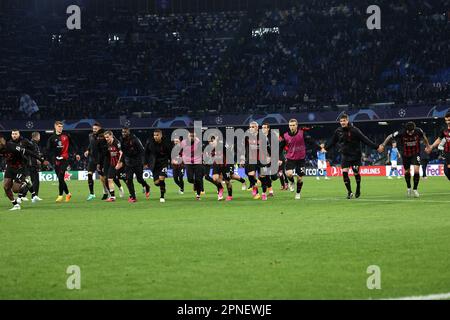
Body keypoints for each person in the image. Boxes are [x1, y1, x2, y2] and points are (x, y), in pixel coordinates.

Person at [323, 114, 383, 199]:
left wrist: (376, 147)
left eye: (344, 121)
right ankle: (349, 192)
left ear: (347, 121)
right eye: (341, 121)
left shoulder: (355, 130)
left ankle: (358, 187)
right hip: (345, 155)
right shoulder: (338, 131)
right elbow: (333, 141)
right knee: (344, 173)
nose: (342, 123)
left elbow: (365, 139)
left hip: (355, 156)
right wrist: (325, 148)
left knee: (356, 173)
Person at [381, 121, 431, 198]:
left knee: (416, 170)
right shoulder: (401, 132)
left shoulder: (418, 131)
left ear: (414, 129)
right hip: (405, 154)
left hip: (415, 153)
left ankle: (415, 189)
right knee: (407, 171)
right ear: (406, 129)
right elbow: (389, 136)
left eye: (412, 131)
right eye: (409, 132)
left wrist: (428, 146)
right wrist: (383, 145)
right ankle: (409, 187)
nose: (410, 133)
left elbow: (424, 137)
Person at [0, 135, 47, 210]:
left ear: (2, 141)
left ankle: (25, 181)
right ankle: (16, 205)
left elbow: (28, 152)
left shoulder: (12, 146)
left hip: (20, 166)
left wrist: (41, 160)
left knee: (15, 189)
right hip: (10, 167)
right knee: (6, 187)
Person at [279, 119, 320, 200]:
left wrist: (319, 148)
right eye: (290, 125)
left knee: (300, 178)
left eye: (294, 125)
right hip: (290, 158)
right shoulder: (285, 135)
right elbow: (280, 147)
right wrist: (278, 158)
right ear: (289, 126)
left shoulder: (302, 133)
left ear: (297, 125)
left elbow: (311, 141)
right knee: (288, 174)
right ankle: (291, 181)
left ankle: (298, 193)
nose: (292, 127)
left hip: (301, 159)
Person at [46, 121, 78, 202]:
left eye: (61, 126)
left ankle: (60, 195)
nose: (60, 128)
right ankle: (68, 194)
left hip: (65, 159)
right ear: (55, 127)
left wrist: (76, 153)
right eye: (59, 126)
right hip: (56, 160)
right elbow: (48, 150)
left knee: (60, 176)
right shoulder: (52, 138)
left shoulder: (66, 135)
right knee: (60, 179)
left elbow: (73, 144)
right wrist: (50, 158)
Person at [121, 127, 151, 203]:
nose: (123, 133)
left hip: (137, 162)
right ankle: (133, 196)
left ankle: (147, 186)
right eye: (123, 132)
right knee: (128, 179)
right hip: (128, 163)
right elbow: (123, 152)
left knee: (139, 179)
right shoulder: (122, 140)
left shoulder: (135, 139)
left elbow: (142, 150)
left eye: (125, 132)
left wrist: (144, 162)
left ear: (129, 132)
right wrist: (121, 162)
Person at [144, 129, 173, 203]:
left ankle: (162, 196)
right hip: (154, 164)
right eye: (154, 135)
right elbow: (146, 153)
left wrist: (172, 160)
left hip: (163, 163)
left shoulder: (166, 143)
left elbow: (170, 153)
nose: (155, 137)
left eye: (157, 135)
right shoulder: (150, 142)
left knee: (161, 178)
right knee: (157, 183)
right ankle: (163, 187)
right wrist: (145, 163)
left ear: (161, 135)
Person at [180, 131, 204, 200]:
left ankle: (198, 195)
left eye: (193, 136)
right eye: (190, 136)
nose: (192, 137)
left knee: (198, 179)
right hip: (188, 163)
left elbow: (201, 151)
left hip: (197, 162)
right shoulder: (183, 143)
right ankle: (195, 183)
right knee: (190, 179)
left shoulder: (198, 142)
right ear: (188, 136)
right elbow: (179, 151)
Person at [427, 112, 450, 181]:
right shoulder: (444, 128)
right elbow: (439, 139)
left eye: (449, 120)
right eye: (446, 120)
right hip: (447, 152)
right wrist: (432, 146)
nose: (447, 122)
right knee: (447, 171)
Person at [103, 131, 124, 202]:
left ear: (111, 136)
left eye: (107, 137)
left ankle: (132, 193)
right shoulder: (108, 143)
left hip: (120, 163)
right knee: (109, 179)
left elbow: (121, 153)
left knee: (126, 179)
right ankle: (112, 197)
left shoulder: (117, 143)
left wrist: (120, 162)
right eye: (105, 137)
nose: (106, 138)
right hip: (112, 164)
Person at [85, 123, 103, 201]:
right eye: (93, 128)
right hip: (92, 159)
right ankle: (92, 194)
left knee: (103, 178)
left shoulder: (102, 136)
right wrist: (87, 150)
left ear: (99, 128)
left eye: (96, 128)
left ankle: (107, 192)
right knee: (89, 175)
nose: (94, 130)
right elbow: (90, 144)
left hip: (100, 159)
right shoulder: (90, 135)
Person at [29, 131, 43, 202]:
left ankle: (33, 196)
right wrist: (38, 160)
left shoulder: (32, 144)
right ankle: (33, 196)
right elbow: (32, 155)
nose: (39, 138)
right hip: (32, 165)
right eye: (39, 136)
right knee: (35, 181)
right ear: (37, 137)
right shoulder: (33, 145)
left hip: (32, 165)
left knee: (32, 181)